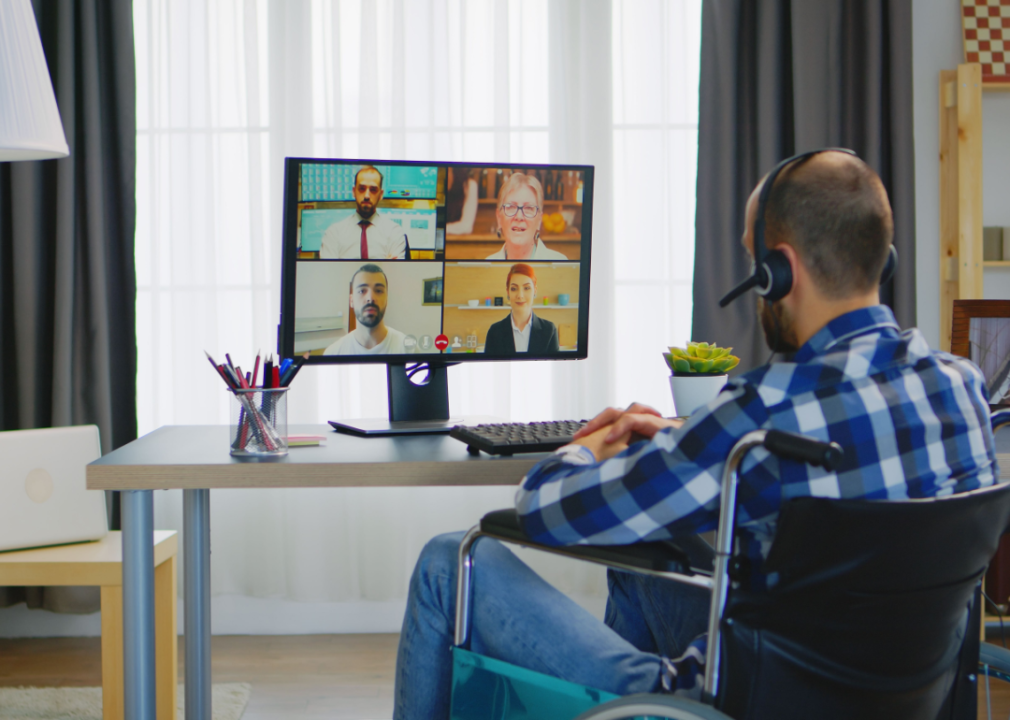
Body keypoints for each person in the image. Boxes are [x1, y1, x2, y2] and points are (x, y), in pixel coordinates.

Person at [392, 151, 1000, 718]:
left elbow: (546, 509)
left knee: (450, 559)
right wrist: (682, 446)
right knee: (643, 554)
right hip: (893, 696)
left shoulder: (762, 419)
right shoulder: (959, 388)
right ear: (881, 260)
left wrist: (585, 448)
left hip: (730, 701)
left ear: (779, 272)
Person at [319, 166, 407, 259]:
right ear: (354, 191)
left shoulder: (394, 232)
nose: (366, 195)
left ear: (380, 195)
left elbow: (394, 272)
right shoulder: (334, 233)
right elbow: (329, 272)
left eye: (373, 189)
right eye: (362, 188)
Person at [324, 264, 406, 355]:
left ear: (386, 298)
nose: (370, 298)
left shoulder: (407, 349)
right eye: (362, 291)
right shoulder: (333, 353)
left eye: (378, 291)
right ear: (351, 300)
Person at [486, 172, 567, 260]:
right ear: (499, 218)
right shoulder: (486, 268)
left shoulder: (560, 264)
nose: (519, 217)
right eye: (511, 207)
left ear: (539, 220)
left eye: (528, 208)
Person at [483, 263, 559, 355]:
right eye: (514, 289)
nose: (520, 295)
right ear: (508, 292)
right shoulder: (494, 332)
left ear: (535, 290)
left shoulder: (549, 330)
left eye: (526, 288)